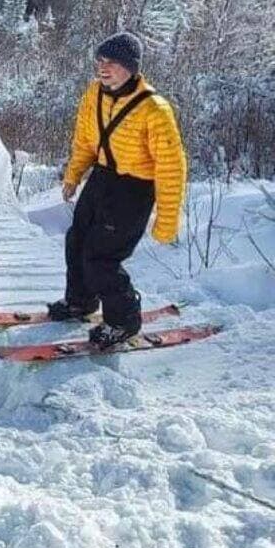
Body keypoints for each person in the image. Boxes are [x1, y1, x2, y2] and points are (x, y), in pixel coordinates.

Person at [47, 32, 188, 347]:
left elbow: (171, 168)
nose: (103, 67)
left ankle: (123, 321)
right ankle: (80, 301)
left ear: (131, 67)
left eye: (112, 61)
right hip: (102, 178)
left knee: (101, 257)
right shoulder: (93, 94)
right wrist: (73, 176)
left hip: (134, 189)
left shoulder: (155, 109)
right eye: (100, 60)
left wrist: (167, 221)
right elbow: (85, 140)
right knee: (77, 240)